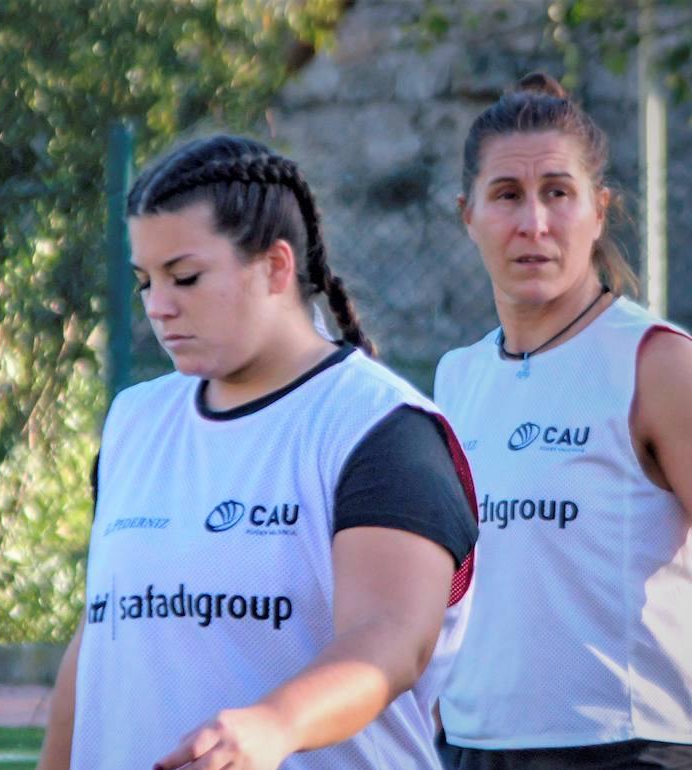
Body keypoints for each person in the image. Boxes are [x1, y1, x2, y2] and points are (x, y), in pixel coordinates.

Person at [34, 133, 478, 770]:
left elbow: (390, 638)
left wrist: (277, 724)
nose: (159, 306)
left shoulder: (382, 431)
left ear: (275, 267)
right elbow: (100, 641)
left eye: (185, 277)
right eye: (145, 282)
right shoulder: (135, 420)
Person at [435, 73, 692, 769]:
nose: (534, 224)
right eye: (507, 196)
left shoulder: (657, 363)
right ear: (468, 214)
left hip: (628, 748)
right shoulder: (456, 377)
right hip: (471, 747)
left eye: (558, 192)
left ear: (600, 210)